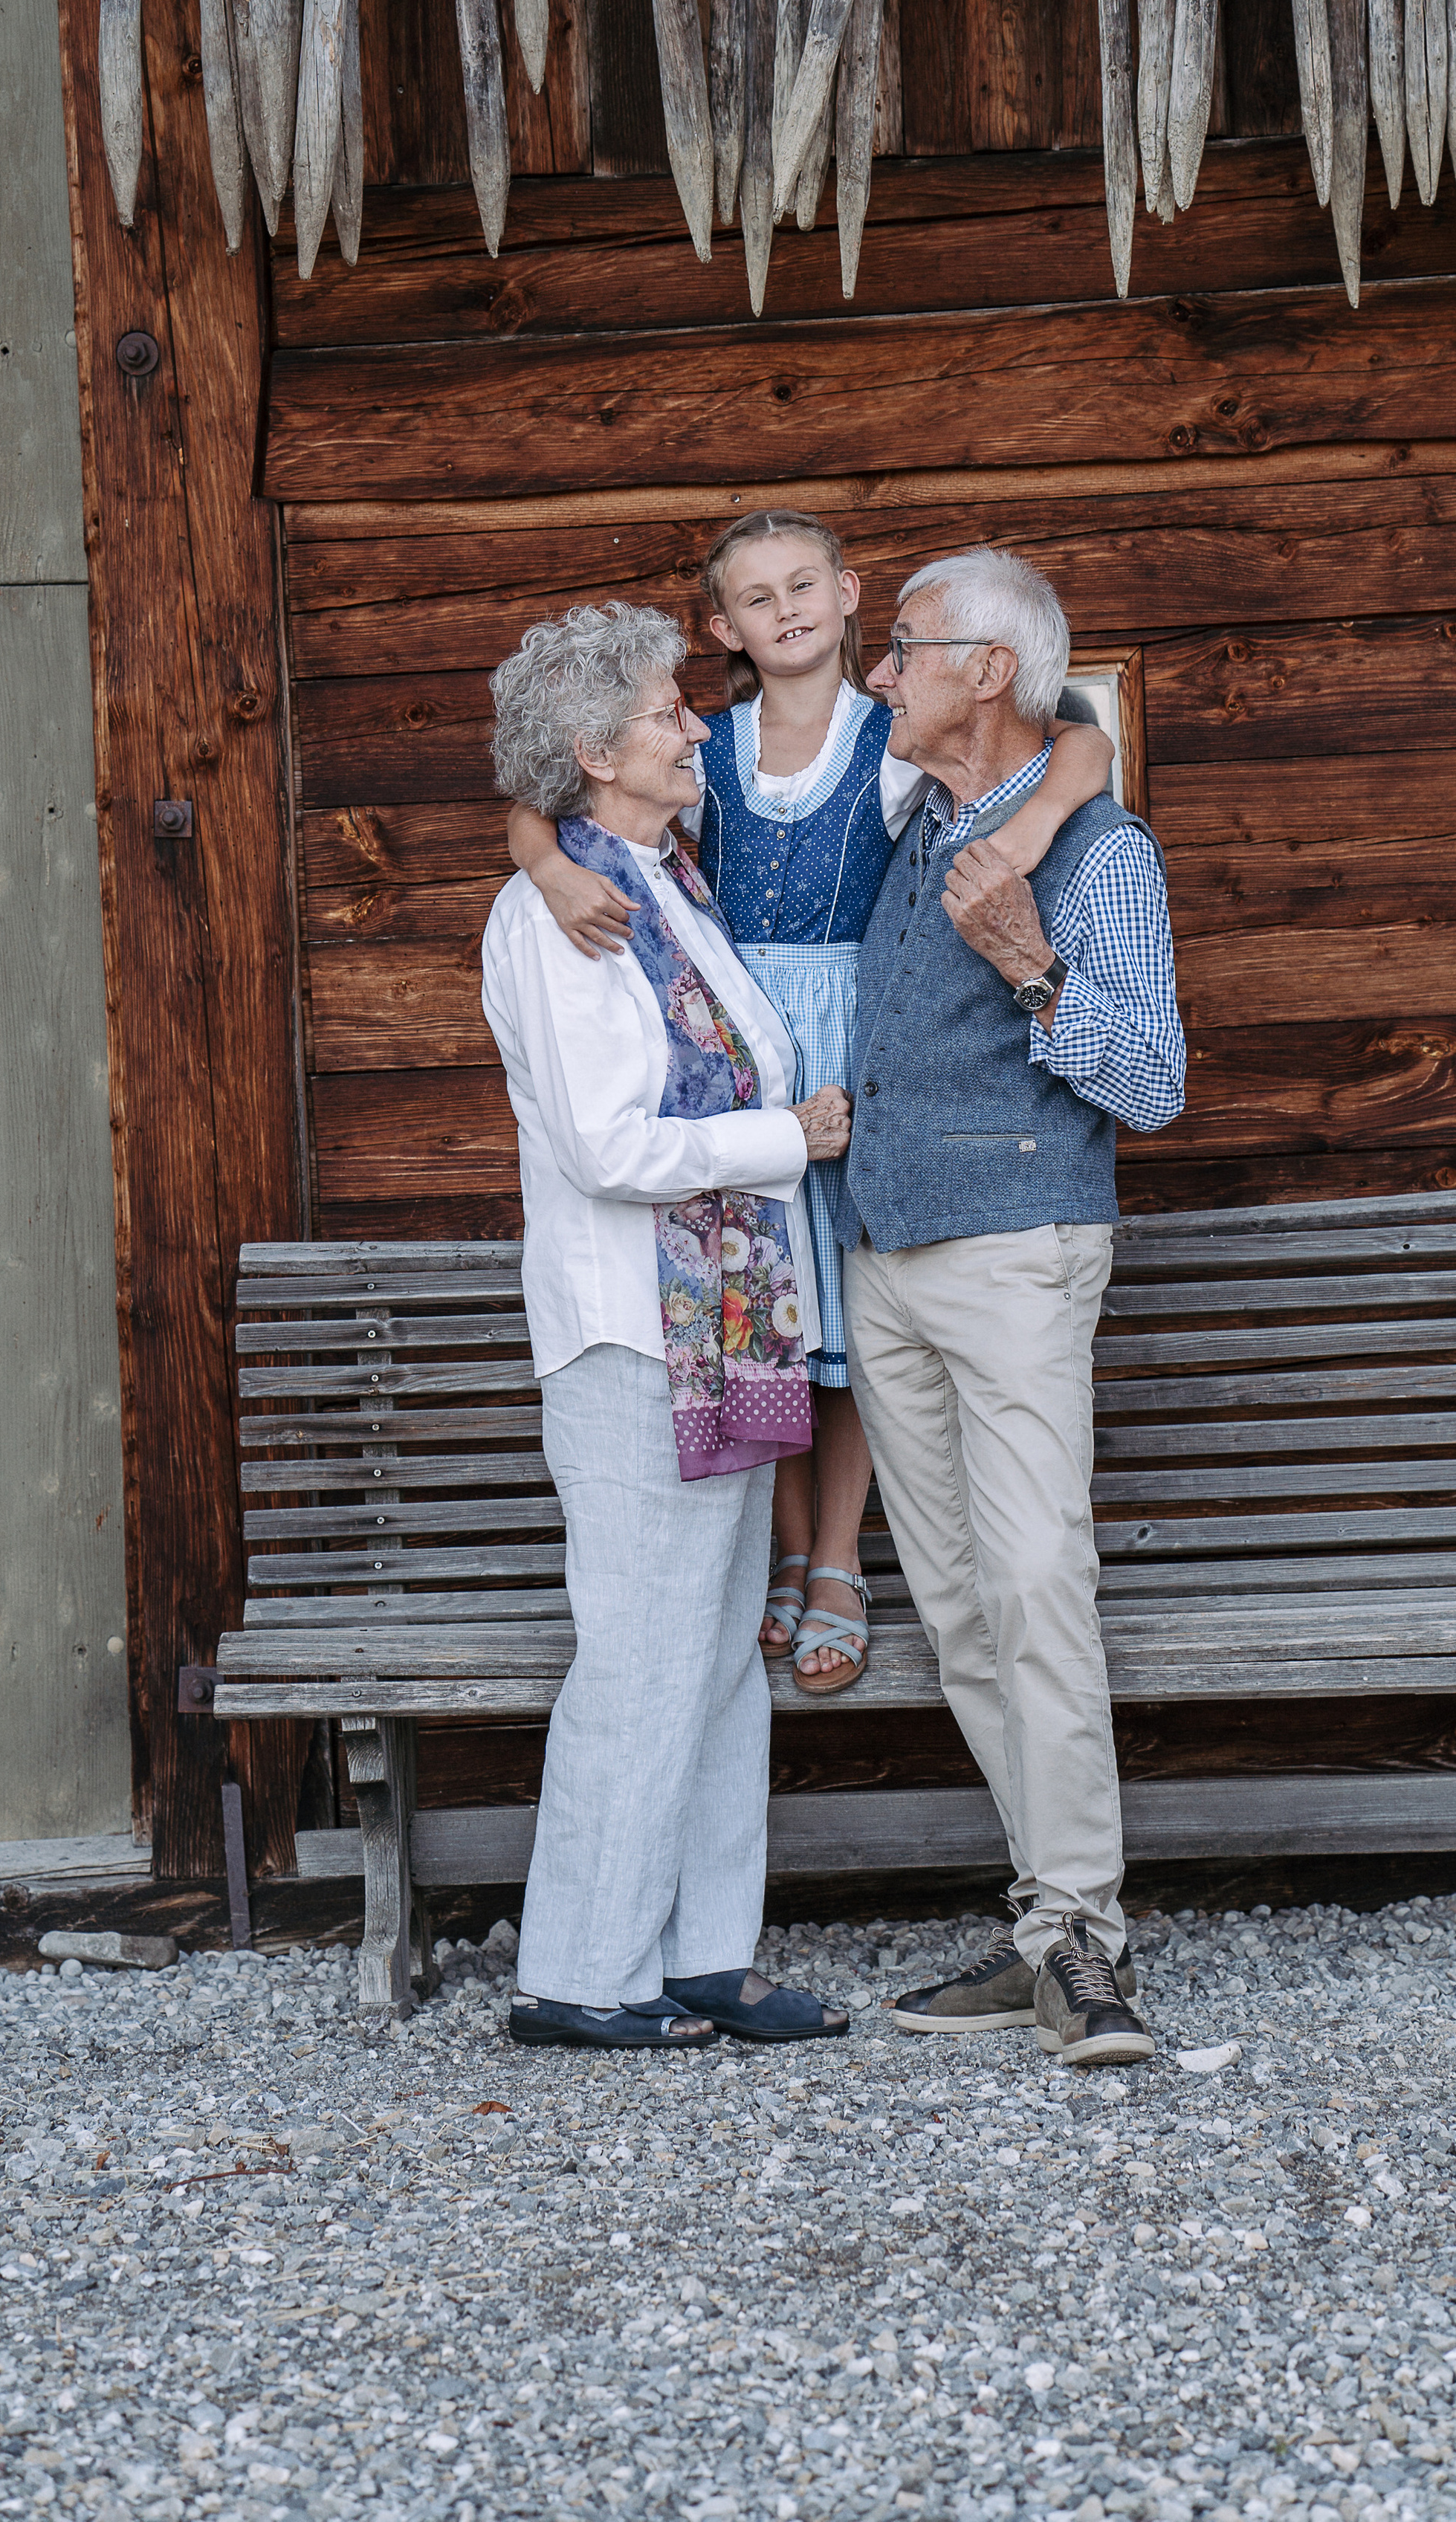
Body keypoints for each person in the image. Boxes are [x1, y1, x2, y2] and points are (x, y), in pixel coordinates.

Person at [505, 509, 1116, 1695]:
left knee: (852, 1306)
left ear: (847, 596)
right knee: (771, 1288)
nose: (783, 611)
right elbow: (545, 795)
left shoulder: (892, 735)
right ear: (721, 626)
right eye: (754, 596)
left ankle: (837, 1556)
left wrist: (1039, 820)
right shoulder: (698, 747)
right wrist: (545, 864)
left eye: (803, 586)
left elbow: (1077, 739)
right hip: (743, 1037)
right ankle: (789, 1547)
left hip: (858, 1033)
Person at [481, 600, 855, 2051]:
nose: (692, 724)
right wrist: (785, 1140)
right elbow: (606, 1148)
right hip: (633, 1338)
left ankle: (702, 1950)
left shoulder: (657, 881)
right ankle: (578, 1970)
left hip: (718, 1331)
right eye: (662, 713)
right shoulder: (560, 913)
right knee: (639, 1655)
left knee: (709, 1657)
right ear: (590, 749)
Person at [839, 549, 1187, 2072]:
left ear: (984, 668)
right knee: (961, 1608)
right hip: (889, 1255)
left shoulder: (1100, 855)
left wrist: (1035, 971)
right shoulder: (910, 811)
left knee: (1036, 1583)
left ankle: (1090, 1941)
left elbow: (1154, 1085)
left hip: (1018, 1248)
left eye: (901, 648)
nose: (876, 673)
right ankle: (1048, 1918)